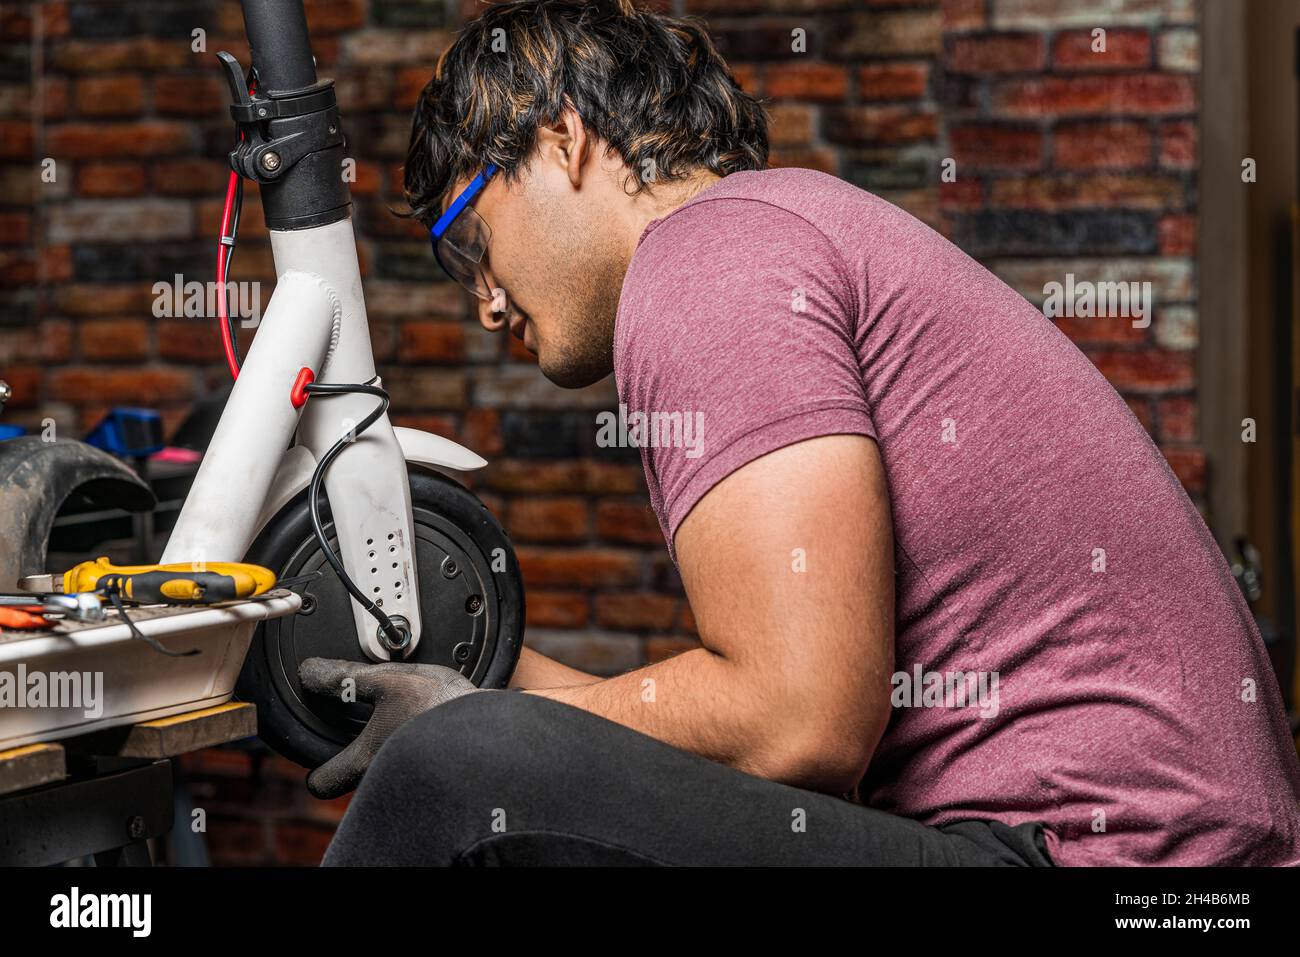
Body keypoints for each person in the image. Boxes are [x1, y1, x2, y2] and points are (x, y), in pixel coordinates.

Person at [305, 0, 1300, 866]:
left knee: (450, 771)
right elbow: (750, 726)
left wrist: (465, 723)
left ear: (561, 139)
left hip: (1115, 859)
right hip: (1144, 855)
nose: (483, 302)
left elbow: (797, 723)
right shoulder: (781, 228)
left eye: (469, 238)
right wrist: (479, 675)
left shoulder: (707, 258)